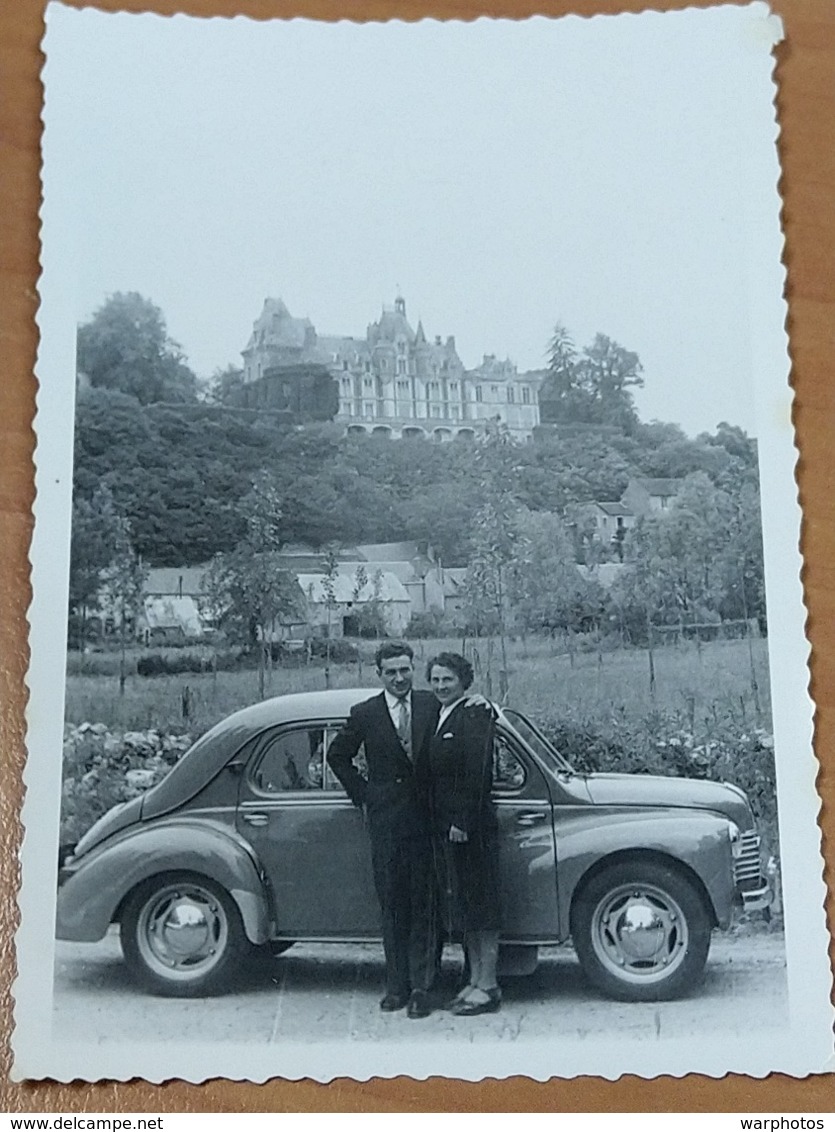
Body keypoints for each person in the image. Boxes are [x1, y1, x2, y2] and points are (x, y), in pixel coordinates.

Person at [326, 641, 440, 1019]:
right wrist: (365, 795)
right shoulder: (365, 713)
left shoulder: (430, 704)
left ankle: (424, 988)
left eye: (404, 670)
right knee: (392, 903)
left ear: (412, 668)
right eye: (390, 672)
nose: (399, 678)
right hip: (387, 823)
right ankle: (397, 986)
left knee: (426, 904)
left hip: (426, 821)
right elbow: (337, 756)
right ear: (379, 674)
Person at [427, 651, 501, 1016]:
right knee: (466, 906)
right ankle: (474, 980)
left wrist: (463, 821)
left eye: (448, 680)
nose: (441, 686)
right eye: (436, 680)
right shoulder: (442, 713)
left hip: (471, 827)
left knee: (481, 903)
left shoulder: (475, 712)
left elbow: (477, 772)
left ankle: (488, 985)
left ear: (463, 681)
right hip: (448, 826)